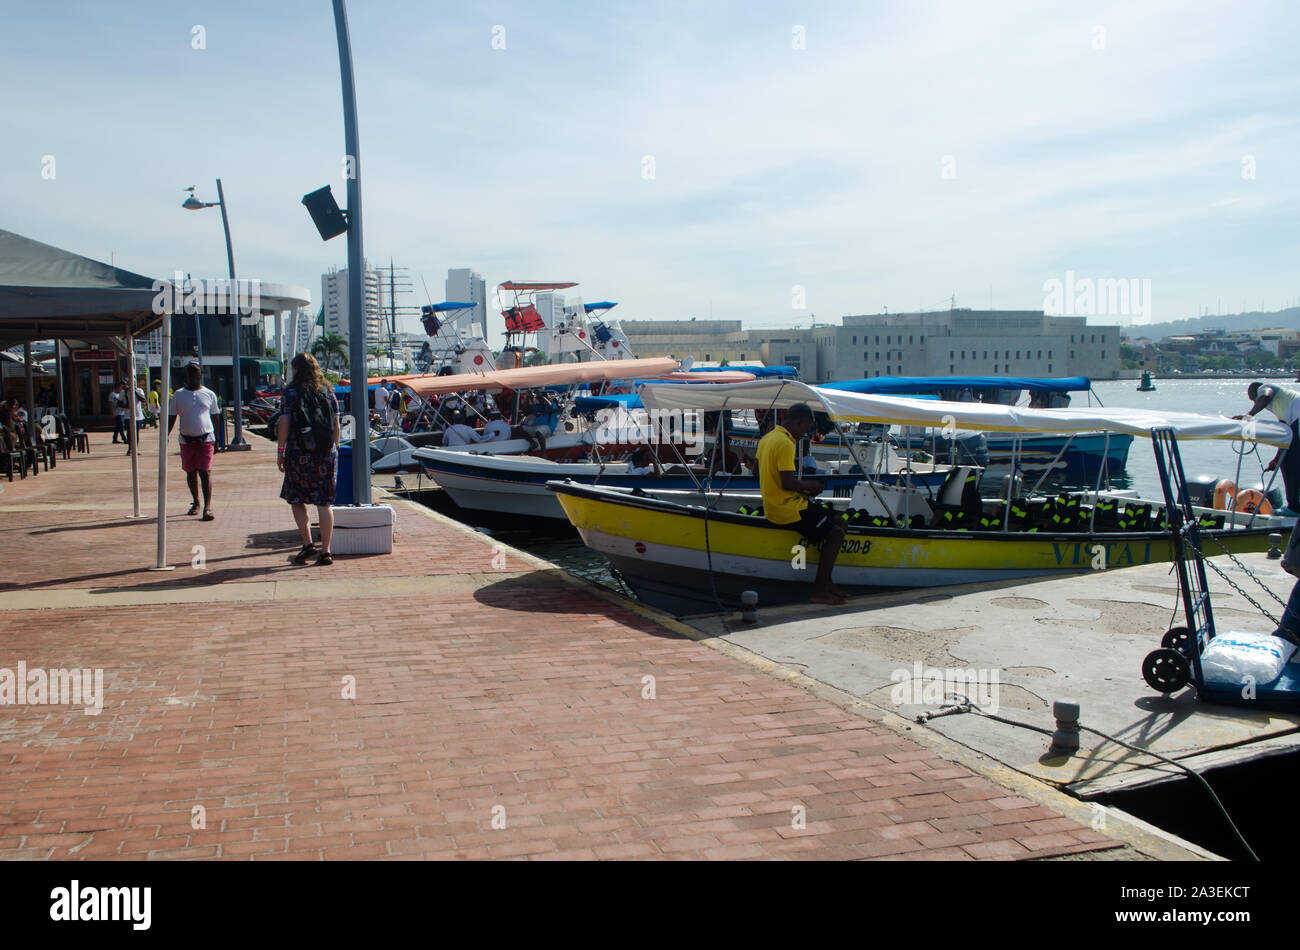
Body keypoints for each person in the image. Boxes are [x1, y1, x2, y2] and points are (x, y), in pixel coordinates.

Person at [756, 403, 847, 605]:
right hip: (786, 509)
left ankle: (828, 581)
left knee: (841, 521)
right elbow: (787, 483)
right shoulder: (785, 443)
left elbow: (756, 471)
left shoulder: (767, 438)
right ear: (800, 422)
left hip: (784, 504)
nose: (805, 434)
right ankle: (819, 590)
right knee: (835, 534)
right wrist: (811, 486)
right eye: (806, 429)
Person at [277, 353, 340, 565]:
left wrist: (280, 451)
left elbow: (284, 423)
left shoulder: (291, 393)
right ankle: (326, 551)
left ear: (295, 370)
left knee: (297, 499)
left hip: (299, 453)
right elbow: (336, 425)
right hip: (325, 454)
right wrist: (335, 449)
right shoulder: (328, 392)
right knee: (324, 504)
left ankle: (307, 544)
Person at [1236, 381, 1300, 515]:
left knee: (1291, 465)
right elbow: (1285, 438)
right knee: (1286, 461)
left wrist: (1249, 415)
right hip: (1295, 422)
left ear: (1256, 392)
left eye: (1253, 398)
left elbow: (1265, 396)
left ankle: (1294, 507)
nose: (1253, 401)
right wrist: (1277, 458)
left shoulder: (1264, 388)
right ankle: (1294, 505)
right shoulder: (1283, 409)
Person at [167, 363, 219, 520]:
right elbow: (171, 417)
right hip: (186, 440)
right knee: (191, 472)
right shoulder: (178, 395)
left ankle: (207, 507)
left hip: (206, 439)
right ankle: (196, 502)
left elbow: (215, 417)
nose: (193, 376)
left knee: (205, 472)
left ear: (201, 374)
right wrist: (165, 436)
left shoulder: (209, 394)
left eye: (196, 373)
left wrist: (218, 440)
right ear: (186, 376)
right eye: (190, 374)